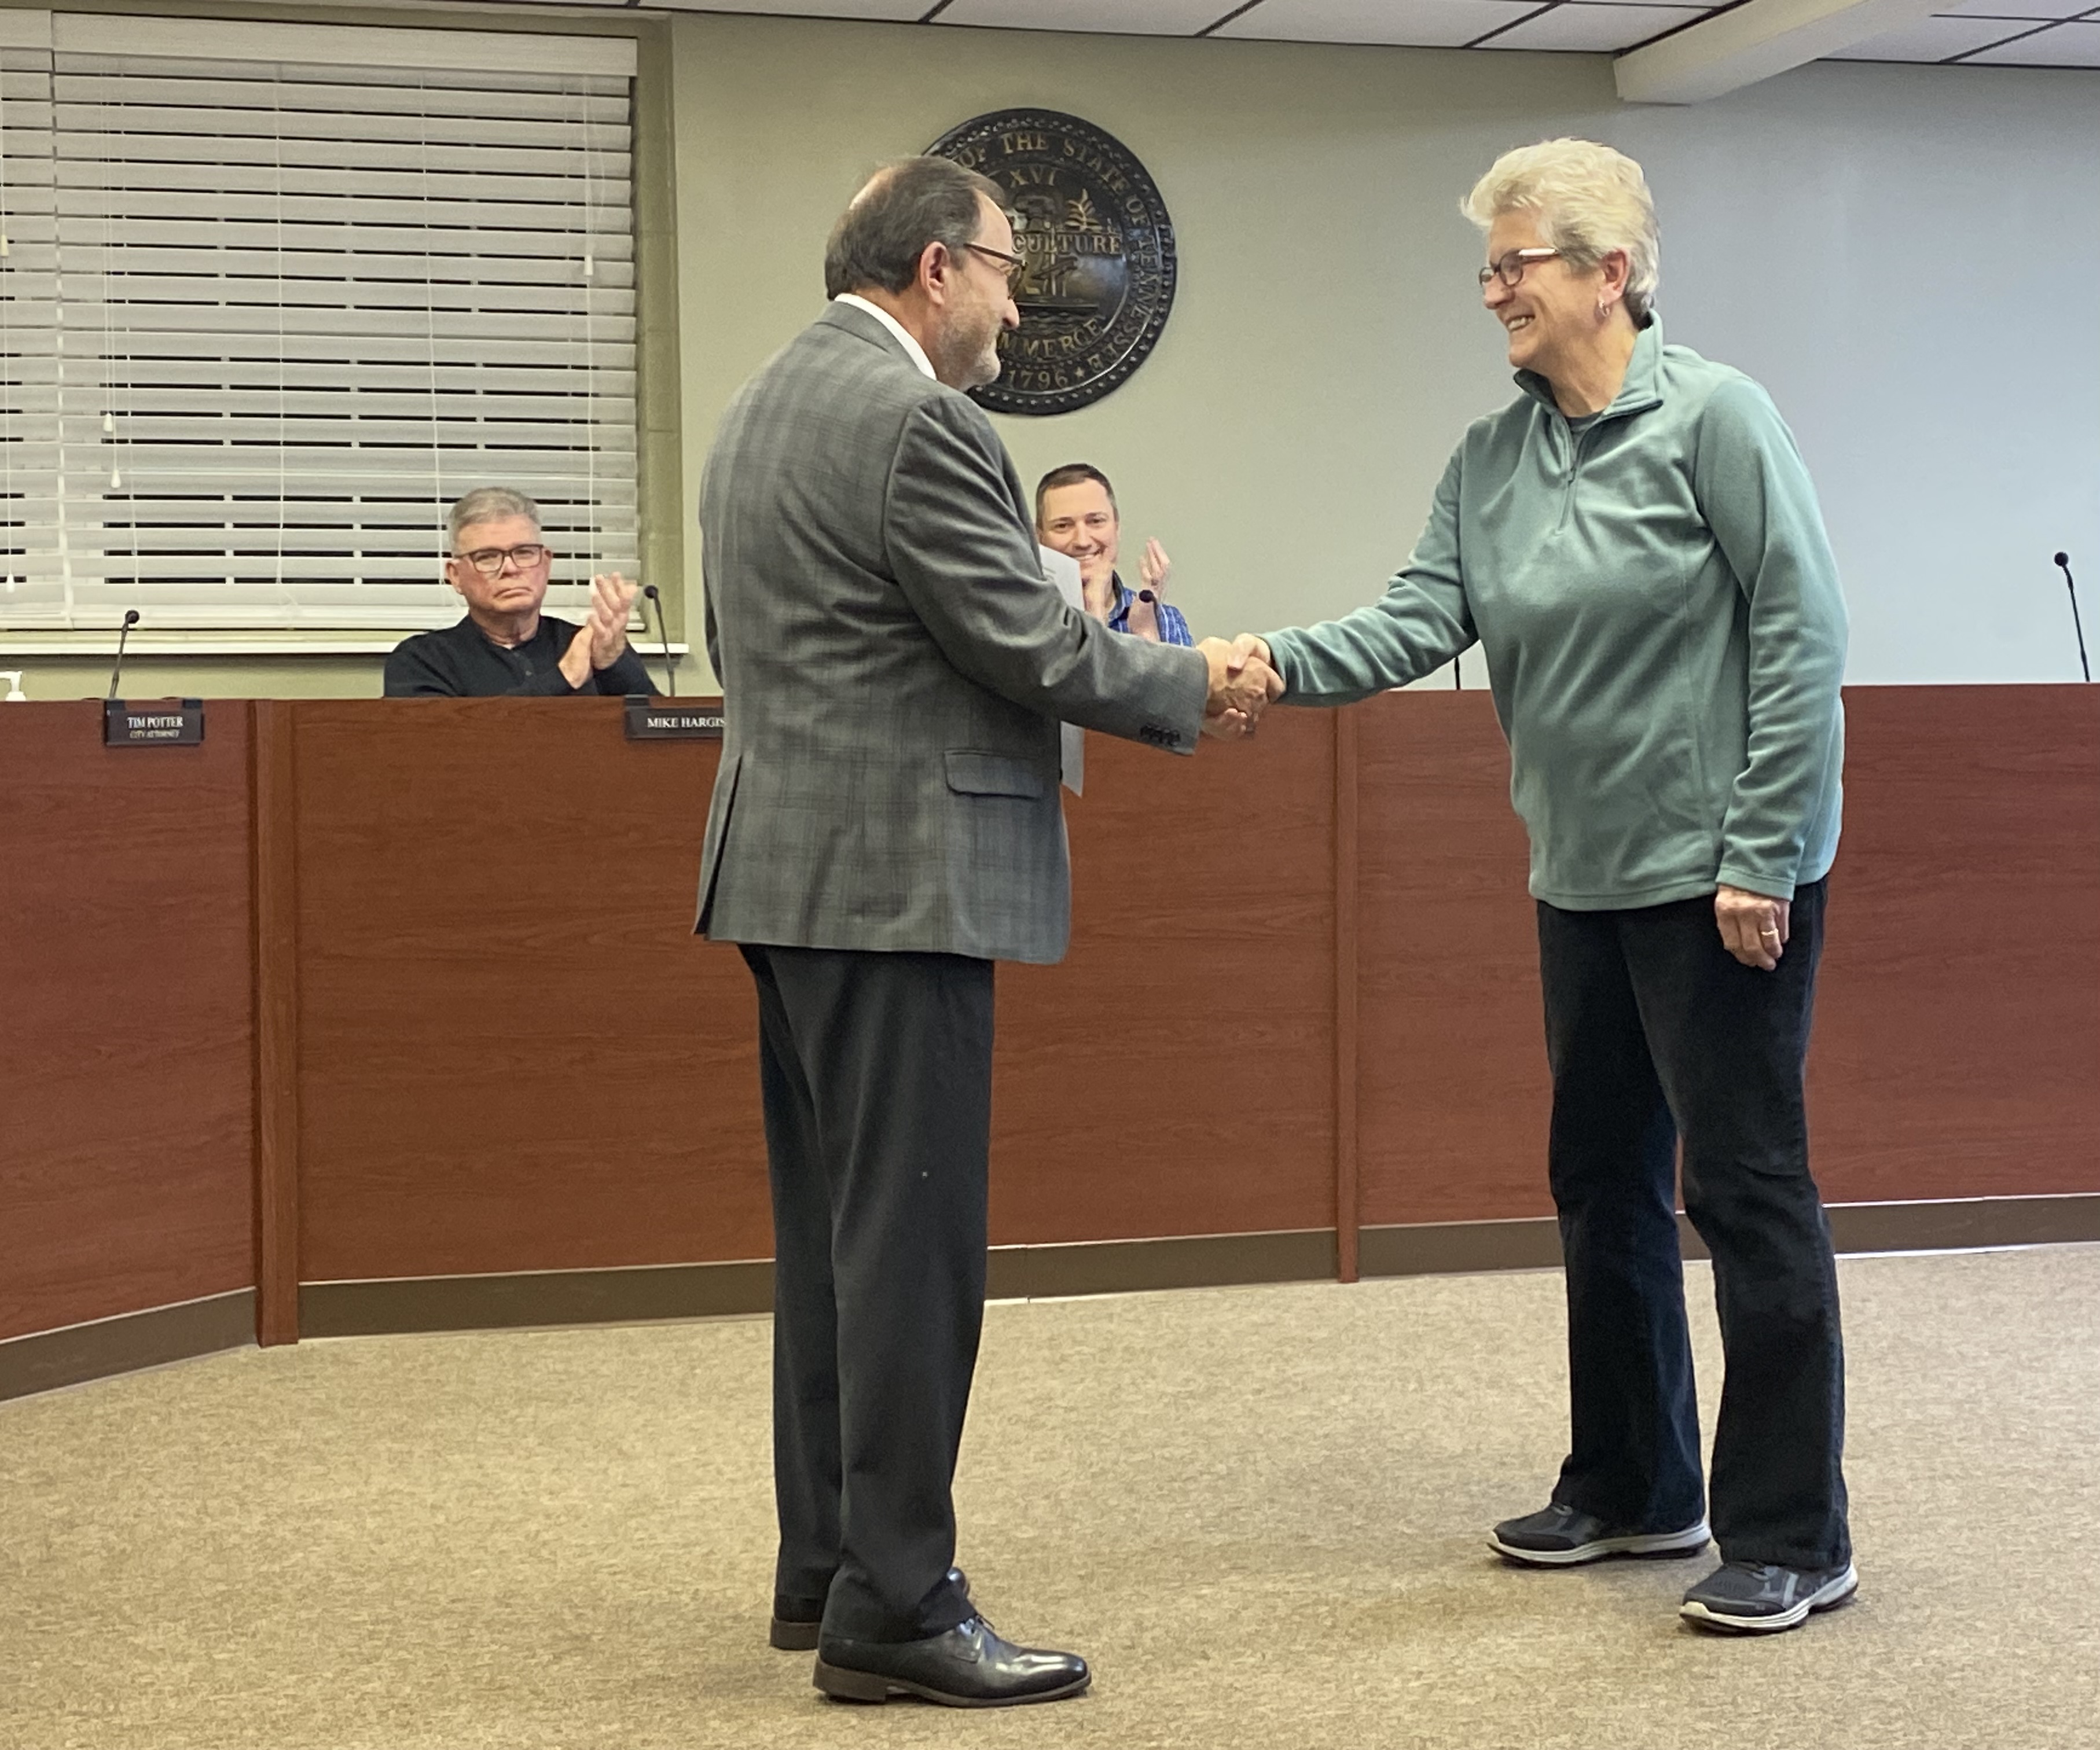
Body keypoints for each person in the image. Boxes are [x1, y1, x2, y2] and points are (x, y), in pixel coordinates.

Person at [1225, 139, 1853, 1635]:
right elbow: (1411, 621)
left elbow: (1800, 636)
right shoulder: (1490, 461)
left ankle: (1791, 1530)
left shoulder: (1714, 419)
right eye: (1490, 265)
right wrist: (1257, 665)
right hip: (1578, 880)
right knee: (1601, 1184)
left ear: (1607, 273)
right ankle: (1636, 1483)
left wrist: (1760, 851)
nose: (1491, 288)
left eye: (1515, 263)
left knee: (1744, 1192)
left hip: (1721, 883)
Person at [696, 157, 1273, 1707]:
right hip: (896, 885)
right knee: (910, 1257)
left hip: (792, 875)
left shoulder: (763, 400)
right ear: (935, 269)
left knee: (836, 1247)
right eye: (1010, 271)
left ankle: (824, 1566)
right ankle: (896, 1603)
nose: (1019, 306)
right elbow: (1020, 639)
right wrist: (1188, 681)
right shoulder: (919, 420)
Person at [383, 488, 654, 697]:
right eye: (488, 557)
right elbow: (446, 743)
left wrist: (613, 665)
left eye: (524, 553)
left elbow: (660, 735)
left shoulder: (590, 643)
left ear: (546, 564)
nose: (510, 569)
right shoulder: (422, 660)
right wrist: (564, 677)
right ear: (456, 576)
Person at [1034, 462, 1192, 645]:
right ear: (1039, 537)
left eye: (1096, 521)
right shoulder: (1023, 622)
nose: (1082, 541)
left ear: (1117, 528)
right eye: (1063, 526)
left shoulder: (1165, 621)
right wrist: (1095, 617)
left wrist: (1146, 638)